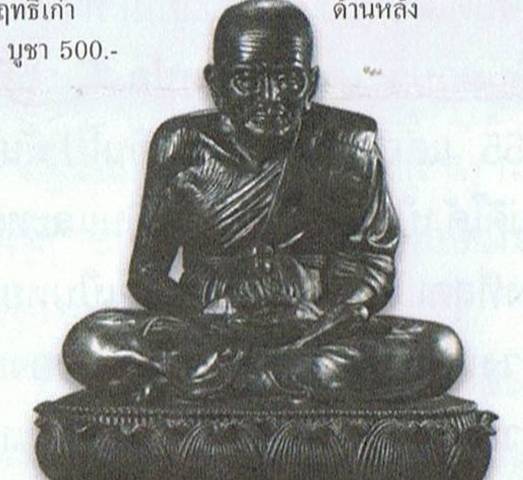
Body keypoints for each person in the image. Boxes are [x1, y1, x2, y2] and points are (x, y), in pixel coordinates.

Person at [63, 0, 463, 402]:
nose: (270, 97)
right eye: (246, 80)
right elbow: (146, 272)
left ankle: (223, 380)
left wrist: (328, 313)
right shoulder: (182, 146)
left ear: (311, 83)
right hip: (209, 326)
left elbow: (373, 261)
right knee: (89, 341)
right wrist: (209, 313)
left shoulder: (348, 145)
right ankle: (279, 379)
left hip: (312, 330)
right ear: (215, 84)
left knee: (440, 349)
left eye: (288, 80)